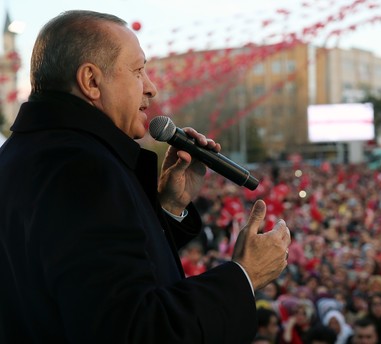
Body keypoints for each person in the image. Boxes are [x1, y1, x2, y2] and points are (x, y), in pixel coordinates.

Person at [0, 10, 291, 343]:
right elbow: (134, 329)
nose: (151, 88)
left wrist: (165, 207)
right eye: (138, 71)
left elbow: (84, 276)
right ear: (92, 81)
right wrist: (244, 275)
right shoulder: (83, 170)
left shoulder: (19, 156)